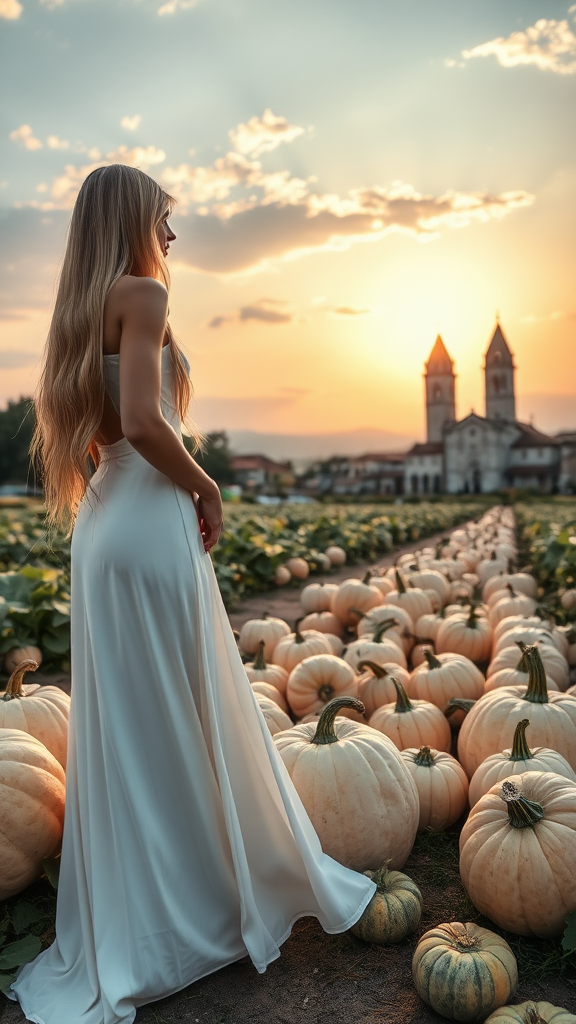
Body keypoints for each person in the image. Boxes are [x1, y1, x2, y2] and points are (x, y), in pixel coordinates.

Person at [6, 164, 376, 1024]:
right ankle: (197, 907)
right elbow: (140, 421)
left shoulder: (78, 310)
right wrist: (206, 486)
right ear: (134, 219)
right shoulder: (142, 294)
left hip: (104, 529)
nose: (172, 238)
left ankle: (152, 915)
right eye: (165, 220)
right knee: (186, 708)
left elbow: (106, 435)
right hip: (147, 524)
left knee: (135, 724)